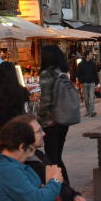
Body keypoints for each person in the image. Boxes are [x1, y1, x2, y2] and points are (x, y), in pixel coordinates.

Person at [38, 45, 74, 181]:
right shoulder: (62, 72)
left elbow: (45, 102)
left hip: (51, 122)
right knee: (57, 157)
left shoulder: (47, 74)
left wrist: (38, 120)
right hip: (63, 120)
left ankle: (63, 190)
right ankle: (65, 189)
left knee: (53, 159)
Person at [0, 62, 31, 151]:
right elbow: (26, 107)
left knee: (0, 159)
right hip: (16, 129)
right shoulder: (20, 90)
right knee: (16, 158)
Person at [77, 52, 99, 118]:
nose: (92, 55)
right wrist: (82, 81)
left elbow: (95, 73)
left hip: (92, 82)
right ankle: (87, 111)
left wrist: (96, 82)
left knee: (92, 97)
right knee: (86, 98)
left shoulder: (93, 64)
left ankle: (92, 111)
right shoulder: (80, 64)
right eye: (91, 54)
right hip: (85, 83)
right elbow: (78, 74)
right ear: (87, 55)